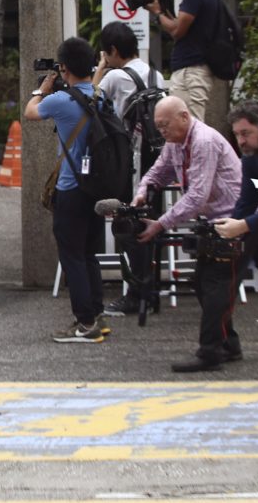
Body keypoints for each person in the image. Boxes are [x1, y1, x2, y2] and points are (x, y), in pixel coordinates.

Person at [132, 95, 243, 372]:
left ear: (184, 117)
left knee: (215, 285)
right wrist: (143, 190)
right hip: (213, 219)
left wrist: (160, 224)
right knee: (203, 283)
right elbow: (157, 171)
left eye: (165, 125)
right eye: (158, 127)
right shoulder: (175, 142)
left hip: (233, 219)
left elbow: (196, 196)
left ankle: (210, 352)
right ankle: (228, 344)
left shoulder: (203, 141)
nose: (162, 132)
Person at [24, 37, 110, 343]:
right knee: (88, 254)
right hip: (96, 188)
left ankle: (85, 324)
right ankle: (96, 315)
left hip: (71, 188)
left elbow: (30, 112)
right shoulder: (100, 96)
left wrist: (40, 91)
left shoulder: (60, 101)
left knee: (71, 256)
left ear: (62, 68)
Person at [93, 20, 163, 317]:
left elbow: (89, 100)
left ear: (112, 50)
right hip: (156, 160)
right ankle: (151, 292)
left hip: (130, 161)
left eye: (106, 53)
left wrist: (99, 70)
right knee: (150, 224)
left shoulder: (115, 77)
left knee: (127, 226)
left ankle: (135, 294)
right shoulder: (155, 75)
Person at [146, 0, 219, 121]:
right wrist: (164, 12)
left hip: (191, 71)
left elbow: (178, 31)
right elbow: (179, 27)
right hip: (193, 69)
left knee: (189, 128)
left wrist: (156, 13)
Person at [211, 102, 258, 274]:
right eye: (236, 135)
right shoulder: (251, 155)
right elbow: (247, 201)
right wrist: (229, 238)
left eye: (245, 133)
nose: (241, 141)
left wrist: (244, 225)